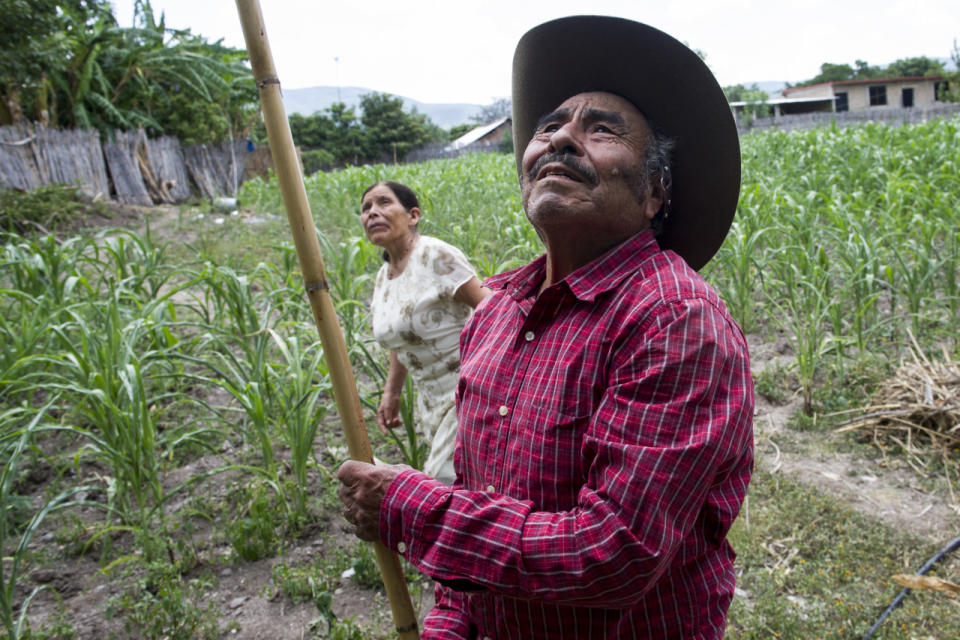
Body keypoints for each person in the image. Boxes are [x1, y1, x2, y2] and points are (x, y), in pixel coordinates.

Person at [339, 16, 753, 639]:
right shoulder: (499, 311)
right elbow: (482, 503)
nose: (561, 140)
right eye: (549, 127)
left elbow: (612, 554)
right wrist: (450, 623)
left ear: (655, 192)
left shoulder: (671, 319)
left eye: (601, 130)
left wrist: (409, 508)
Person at [360, 180, 488, 485]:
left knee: (442, 479)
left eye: (383, 203)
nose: (372, 213)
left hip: (468, 388)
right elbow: (401, 338)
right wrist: (391, 393)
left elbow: (492, 308)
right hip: (430, 400)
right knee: (468, 483)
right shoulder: (384, 278)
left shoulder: (435, 256)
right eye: (366, 209)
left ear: (413, 215)